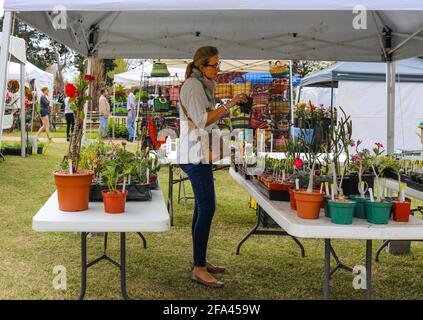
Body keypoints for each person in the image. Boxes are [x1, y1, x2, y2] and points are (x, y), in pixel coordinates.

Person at [179, 46, 247, 288]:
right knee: (207, 207)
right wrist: (228, 106)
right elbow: (202, 120)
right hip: (194, 154)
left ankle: (200, 261)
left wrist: (230, 103)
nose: (218, 70)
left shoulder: (202, 85)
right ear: (201, 65)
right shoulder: (194, 86)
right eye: (214, 65)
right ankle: (198, 268)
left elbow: (207, 116)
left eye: (219, 65)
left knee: (203, 207)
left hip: (198, 153)